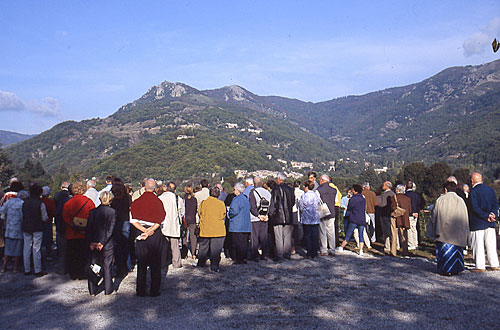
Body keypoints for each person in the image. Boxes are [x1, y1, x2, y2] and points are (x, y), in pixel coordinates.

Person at [130, 179, 166, 296]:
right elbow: (159, 220)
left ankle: (140, 290)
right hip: (154, 233)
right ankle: (154, 290)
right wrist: (150, 231)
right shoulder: (158, 202)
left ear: (144, 188)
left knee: (142, 262)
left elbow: (133, 221)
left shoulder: (136, 202)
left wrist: (144, 231)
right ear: (155, 188)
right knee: (155, 263)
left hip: (141, 232)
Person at [426, 182, 469, 276]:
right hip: (458, 233)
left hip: (444, 233)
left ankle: (445, 269)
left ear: (445, 189)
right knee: (457, 252)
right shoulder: (461, 200)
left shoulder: (441, 200)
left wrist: (435, 231)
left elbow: (436, 216)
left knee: (445, 253)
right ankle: (457, 268)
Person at [62, 181, 95, 280]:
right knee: (83, 254)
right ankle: (82, 273)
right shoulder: (89, 202)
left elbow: (65, 217)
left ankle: (73, 273)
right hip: (85, 233)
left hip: (71, 232)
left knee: (72, 254)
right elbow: (92, 216)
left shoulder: (68, 203)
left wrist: (73, 225)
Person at [468, 172, 499, 272]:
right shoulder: (491, 190)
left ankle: (480, 266)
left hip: (478, 222)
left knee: (478, 245)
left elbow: (475, 208)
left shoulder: (473, 191)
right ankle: (494, 264)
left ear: (472, 181)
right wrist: (492, 215)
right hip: (490, 222)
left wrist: (486, 216)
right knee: (491, 244)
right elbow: (495, 205)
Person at [86, 191, 116, 295]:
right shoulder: (112, 212)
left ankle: (92, 289)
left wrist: (91, 242)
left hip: (94, 240)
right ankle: (108, 289)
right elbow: (110, 230)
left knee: (94, 264)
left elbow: (88, 228)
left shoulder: (93, 212)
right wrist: (102, 242)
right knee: (107, 265)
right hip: (107, 242)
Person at [197, 186, 227, 272]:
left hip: (205, 229)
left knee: (203, 248)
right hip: (218, 230)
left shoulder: (203, 203)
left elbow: (199, 213)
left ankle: (201, 263)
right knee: (216, 251)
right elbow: (223, 215)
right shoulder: (221, 204)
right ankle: (214, 267)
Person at [22, 184, 49, 276]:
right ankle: (38, 269)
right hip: (37, 227)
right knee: (36, 249)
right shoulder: (40, 203)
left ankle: (27, 269)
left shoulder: (25, 202)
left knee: (26, 248)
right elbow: (44, 217)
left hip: (26, 227)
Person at [159, 182, 185, 269]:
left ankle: (162, 263)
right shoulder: (178, 199)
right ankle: (176, 263)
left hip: (163, 225)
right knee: (175, 246)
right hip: (174, 224)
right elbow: (182, 212)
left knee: (163, 246)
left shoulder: (160, 198)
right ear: (175, 190)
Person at [269, 172, 295, 261]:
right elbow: (292, 202)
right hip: (288, 216)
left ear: (279, 179)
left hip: (277, 216)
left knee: (278, 236)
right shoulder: (290, 189)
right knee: (287, 236)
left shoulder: (275, 189)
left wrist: (271, 214)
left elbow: (273, 203)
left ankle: (279, 254)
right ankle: (286, 253)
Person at [0, 190, 28, 272]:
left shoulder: (9, 201)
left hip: (9, 229)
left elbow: (1, 211)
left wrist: (5, 218)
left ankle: (3, 267)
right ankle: (15, 268)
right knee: (17, 250)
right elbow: (24, 216)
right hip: (19, 229)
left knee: (7, 250)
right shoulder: (23, 203)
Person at [110, 178, 131, 277]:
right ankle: (126, 265)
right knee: (125, 245)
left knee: (117, 246)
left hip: (116, 221)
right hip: (126, 220)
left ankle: (119, 268)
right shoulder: (127, 196)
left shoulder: (112, 197)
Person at [338, 184, 366, 256]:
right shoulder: (363, 199)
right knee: (361, 235)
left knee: (348, 233)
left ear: (355, 190)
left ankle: (341, 247)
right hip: (362, 218)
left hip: (354, 218)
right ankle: (361, 250)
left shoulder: (353, 199)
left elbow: (349, 208)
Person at [249, 176, 271, 262]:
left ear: (254, 183)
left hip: (255, 218)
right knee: (264, 236)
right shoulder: (267, 192)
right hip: (265, 217)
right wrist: (267, 215)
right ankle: (265, 254)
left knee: (255, 237)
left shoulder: (253, 192)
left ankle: (255, 255)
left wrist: (258, 215)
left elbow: (252, 206)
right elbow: (271, 205)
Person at [228, 183, 251, 264]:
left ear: (237, 190)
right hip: (246, 225)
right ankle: (244, 258)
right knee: (244, 243)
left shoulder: (236, 199)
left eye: (234, 189)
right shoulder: (246, 199)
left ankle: (238, 259)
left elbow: (233, 211)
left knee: (237, 243)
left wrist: (229, 214)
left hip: (237, 225)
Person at [297, 180, 320, 259]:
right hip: (315, 218)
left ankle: (309, 252)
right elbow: (318, 205)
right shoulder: (315, 195)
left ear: (306, 187)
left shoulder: (304, 196)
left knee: (307, 236)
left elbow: (301, 207)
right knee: (315, 235)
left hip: (306, 218)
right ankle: (315, 252)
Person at [317, 174, 338, 256]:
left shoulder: (318, 189)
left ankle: (324, 249)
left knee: (322, 231)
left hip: (323, 212)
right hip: (332, 212)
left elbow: (317, 201)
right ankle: (332, 249)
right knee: (331, 231)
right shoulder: (334, 190)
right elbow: (335, 201)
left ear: (322, 180)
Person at [54, 181, 71, 274]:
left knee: (62, 248)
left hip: (60, 224)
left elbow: (56, 212)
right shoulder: (69, 199)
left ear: (61, 187)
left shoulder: (57, 196)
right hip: (70, 225)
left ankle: (62, 269)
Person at [391, 185, 412, 257]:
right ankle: (405, 251)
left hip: (395, 217)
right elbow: (410, 210)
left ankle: (393, 251)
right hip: (404, 218)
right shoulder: (407, 198)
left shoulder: (394, 197)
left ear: (397, 190)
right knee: (404, 235)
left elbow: (393, 207)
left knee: (394, 235)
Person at [379, 181, 396, 254]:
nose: (382, 186)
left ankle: (388, 246)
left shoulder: (387, 194)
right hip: (388, 214)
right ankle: (391, 246)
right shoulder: (392, 194)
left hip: (385, 214)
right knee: (390, 232)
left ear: (387, 186)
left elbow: (383, 204)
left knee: (387, 232)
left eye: (383, 184)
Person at [405, 181, 422, 250]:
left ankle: (411, 244)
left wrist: (411, 213)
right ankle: (416, 243)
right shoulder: (417, 195)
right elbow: (419, 204)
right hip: (416, 213)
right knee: (414, 229)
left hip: (410, 214)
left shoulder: (406, 195)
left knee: (409, 229)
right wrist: (417, 212)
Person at [41, 186, 56, 262]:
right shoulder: (50, 202)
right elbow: (53, 212)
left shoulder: (40, 201)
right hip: (48, 222)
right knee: (48, 240)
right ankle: (48, 254)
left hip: (40, 223)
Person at [183, 184, 198, 258]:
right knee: (193, 236)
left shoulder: (183, 199)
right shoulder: (194, 199)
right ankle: (193, 253)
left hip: (185, 219)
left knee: (184, 237)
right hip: (192, 218)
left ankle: (184, 253)